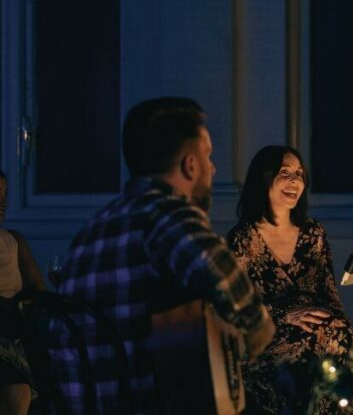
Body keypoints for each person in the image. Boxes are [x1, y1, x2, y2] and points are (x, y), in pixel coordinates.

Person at [53, 97, 275, 413]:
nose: (213, 168)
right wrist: (257, 331)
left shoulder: (89, 232)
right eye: (208, 155)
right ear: (190, 165)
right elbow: (221, 274)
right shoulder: (169, 213)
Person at [227, 145, 353, 414]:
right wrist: (284, 315)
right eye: (285, 173)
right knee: (306, 360)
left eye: (299, 174)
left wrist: (338, 324)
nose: (295, 181)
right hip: (268, 338)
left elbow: (329, 293)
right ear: (264, 179)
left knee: (350, 348)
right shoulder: (243, 238)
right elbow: (236, 308)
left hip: (320, 333)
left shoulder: (313, 233)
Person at [0, 168, 47, 415]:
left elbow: (38, 289)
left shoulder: (14, 240)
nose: (2, 203)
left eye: (5, 195)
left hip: (14, 328)